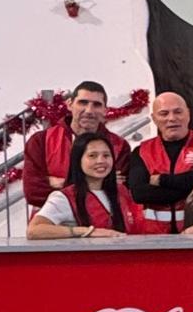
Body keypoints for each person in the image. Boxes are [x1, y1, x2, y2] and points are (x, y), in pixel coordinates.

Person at [22, 80, 131, 213]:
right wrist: (95, 183)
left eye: (96, 105)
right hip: (51, 225)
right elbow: (33, 193)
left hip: (101, 222)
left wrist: (60, 183)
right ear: (69, 104)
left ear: (105, 110)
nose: (89, 111)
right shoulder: (41, 141)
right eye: (83, 102)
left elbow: (117, 194)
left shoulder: (119, 145)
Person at [27, 132, 145, 239]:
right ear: (78, 160)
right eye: (92, 156)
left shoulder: (121, 191)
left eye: (106, 155)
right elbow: (34, 230)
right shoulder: (64, 197)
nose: (101, 161)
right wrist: (88, 231)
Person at [127, 92, 193, 234]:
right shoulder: (141, 152)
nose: (172, 118)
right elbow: (139, 194)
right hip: (154, 239)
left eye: (178, 112)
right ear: (154, 119)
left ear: (188, 114)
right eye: (164, 114)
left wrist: (160, 180)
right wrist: (191, 182)